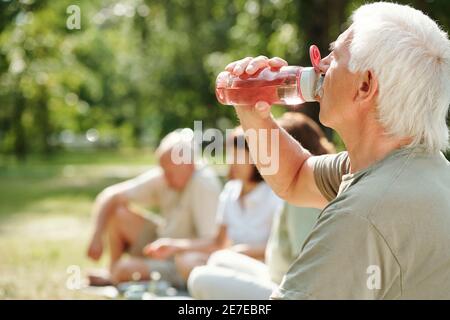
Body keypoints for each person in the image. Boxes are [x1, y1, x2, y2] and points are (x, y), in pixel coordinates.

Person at [222, 2, 450, 299]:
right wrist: (252, 110)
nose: (320, 65)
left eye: (335, 56)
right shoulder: (411, 167)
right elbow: (294, 177)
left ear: (365, 85)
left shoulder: (363, 214)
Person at [188, 112, 335, 299]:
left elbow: (308, 263)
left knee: (198, 277)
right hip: (276, 274)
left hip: (288, 288)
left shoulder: (304, 196)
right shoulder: (308, 185)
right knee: (219, 259)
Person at [143, 127, 284, 281]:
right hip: (231, 261)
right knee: (186, 261)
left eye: (239, 157)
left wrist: (241, 252)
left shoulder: (274, 196)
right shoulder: (230, 191)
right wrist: (174, 246)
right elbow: (217, 243)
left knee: (210, 269)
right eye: (231, 156)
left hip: (262, 268)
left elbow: (280, 246)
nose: (232, 162)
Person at [86, 129, 221, 287]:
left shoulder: (204, 185)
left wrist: (174, 246)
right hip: (162, 244)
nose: (164, 177)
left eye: (169, 172)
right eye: (163, 170)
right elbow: (110, 196)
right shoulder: (166, 176)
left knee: (124, 270)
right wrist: (96, 237)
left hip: (181, 260)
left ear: (189, 165)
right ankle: (112, 271)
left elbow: (213, 243)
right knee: (118, 213)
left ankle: (116, 274)